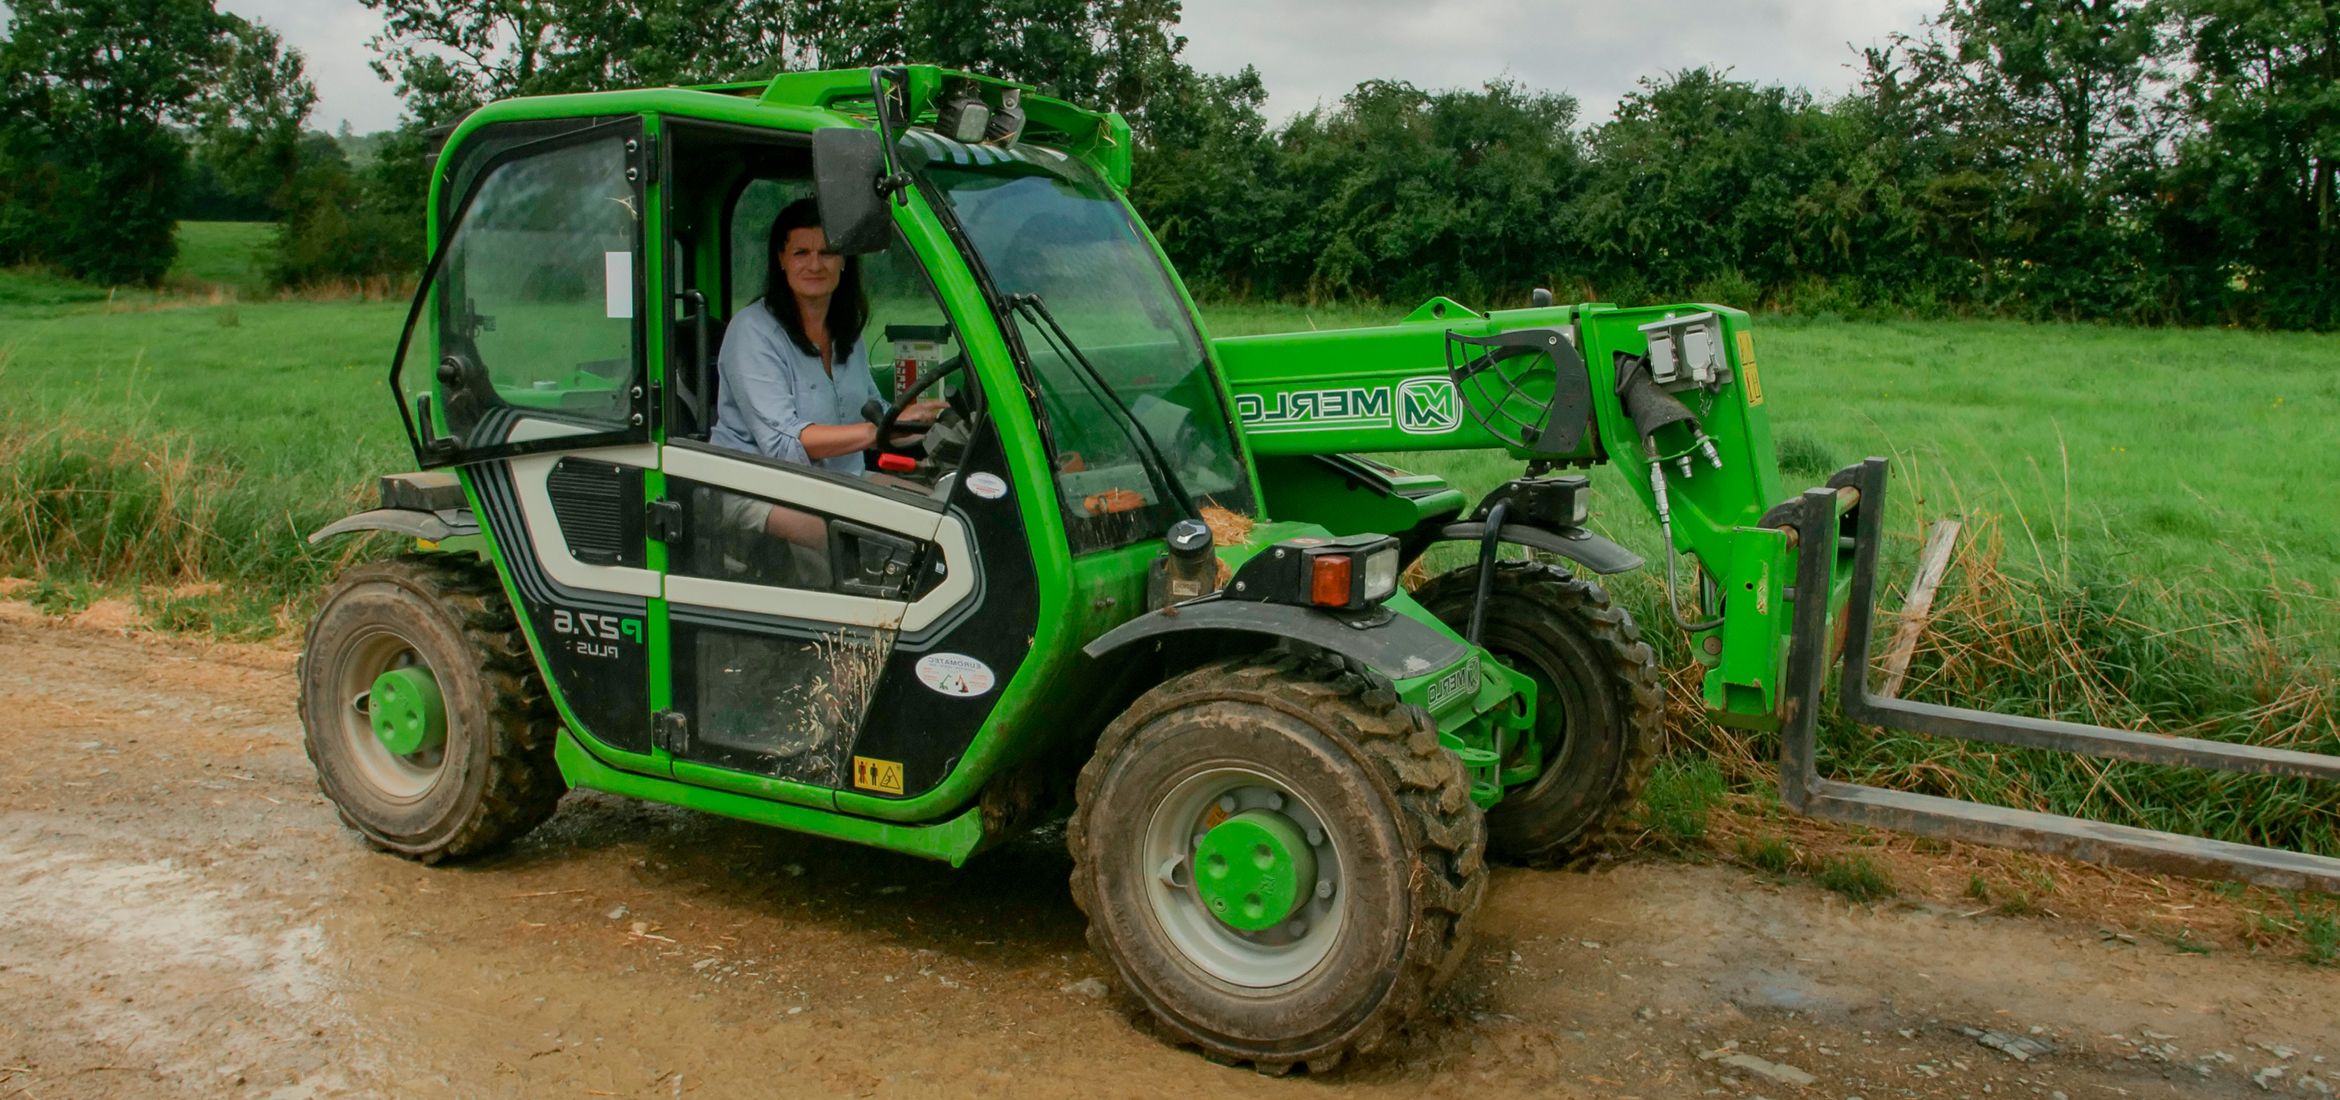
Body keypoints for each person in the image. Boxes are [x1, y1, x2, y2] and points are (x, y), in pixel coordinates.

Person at [708, 197, 947, 567]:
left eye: (828, 252)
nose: (815, 264)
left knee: (939, 518)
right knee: (878, 545)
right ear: (781, 260)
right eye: (802, 252)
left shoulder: (845, 329)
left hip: (838, 480)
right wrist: (874, 431)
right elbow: (784, 443)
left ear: (844, 261)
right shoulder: (753, 332)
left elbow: (874, 410)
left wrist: (928, 420)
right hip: (761, 488)